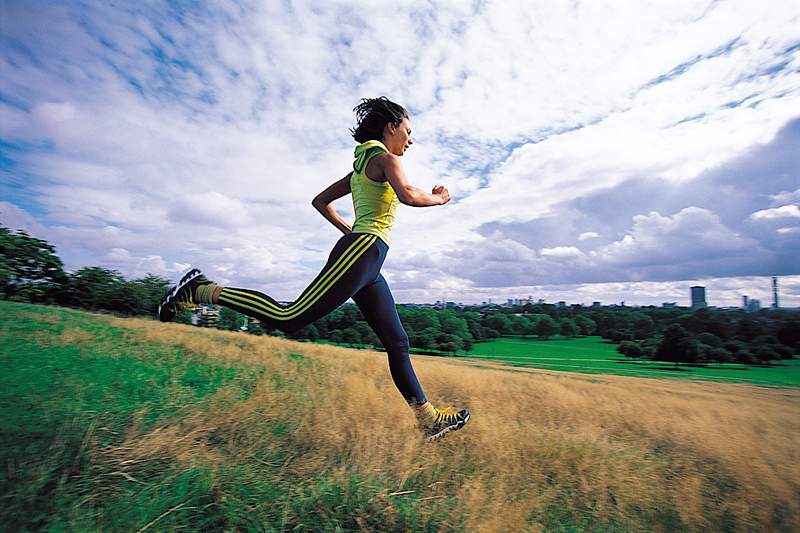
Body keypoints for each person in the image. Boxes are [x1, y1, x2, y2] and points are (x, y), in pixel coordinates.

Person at [158, 97, 470, 442]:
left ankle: (428, 420)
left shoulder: (359, 169)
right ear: (391, 126)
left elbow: (320, 201)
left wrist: (349, 232)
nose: (410, 140)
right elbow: (409, 195)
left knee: (397, 342)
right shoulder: (386, 158)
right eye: (408, 131)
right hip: (364, 252)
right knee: (289, 317)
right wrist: (440, 198)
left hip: (366, 256)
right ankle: (200, 289)